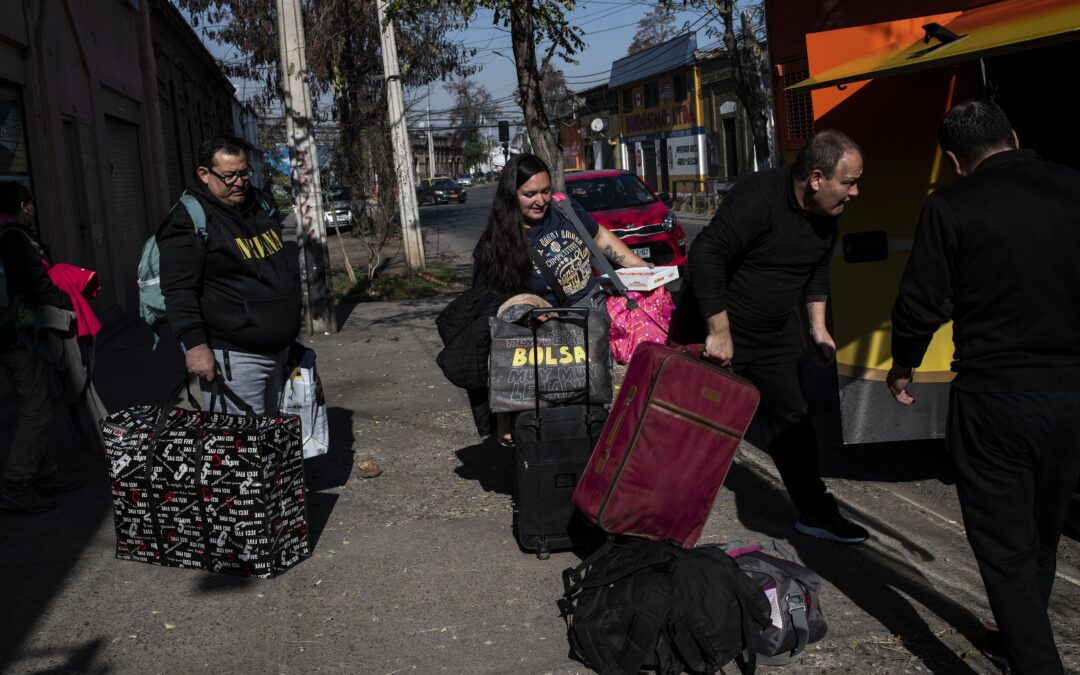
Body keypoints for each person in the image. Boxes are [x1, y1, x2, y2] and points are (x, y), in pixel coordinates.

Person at [887, 100, 1080, 674]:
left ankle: (1035, 660)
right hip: (1072, 398)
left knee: (1003, 546)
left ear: (954, 160)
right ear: (1015, 138)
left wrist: (904, 365)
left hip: (994, 399)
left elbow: (920, 300)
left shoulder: (949, 205)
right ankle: (1022, 633)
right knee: (1045, 527)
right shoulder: (1074, 187)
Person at [672, 129, 869, 544]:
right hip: (716, 326)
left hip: (774, 332)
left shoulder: (827, 212)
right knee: (693, 428)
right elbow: (705, 255)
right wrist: (719, 332)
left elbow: (815, 267)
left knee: (793, 421)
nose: (855, 191)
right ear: (816, 178)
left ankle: (815, 512)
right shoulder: (758, 197)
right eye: (848, 182)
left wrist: (817, 327)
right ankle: (659, 515)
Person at [469, 153, 651, 442]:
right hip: (547, 338)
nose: (541, 200)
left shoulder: (564, 207)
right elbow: (492, 310)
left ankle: (589, 461)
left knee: (595, 400)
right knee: (556, 408)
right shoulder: (496, 245)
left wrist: (638, 267)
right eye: (530, 194)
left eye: (544, 190)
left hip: (591, 321)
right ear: (510, 195)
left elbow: (600, 237)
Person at [157, 136, 300, 415]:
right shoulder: (189, 220)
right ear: (204, 174)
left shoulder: (260, 204)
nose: (239, 182)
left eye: (244, 173)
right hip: (234, 359)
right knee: (242, 450)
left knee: (278, 443)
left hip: (281, 351)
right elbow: (178, 290)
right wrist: (196, 347)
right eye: (229, 175)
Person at [0, 182, 83, 514]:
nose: (33, 210)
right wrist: (68, 303)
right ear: (23, 205)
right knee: (37, 405)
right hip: (18, 337)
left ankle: (43, 472)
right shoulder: (15, 240)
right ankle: (17, 481)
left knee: (29, 402)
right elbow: (35, 286)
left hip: (6, 336)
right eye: (31, 204)